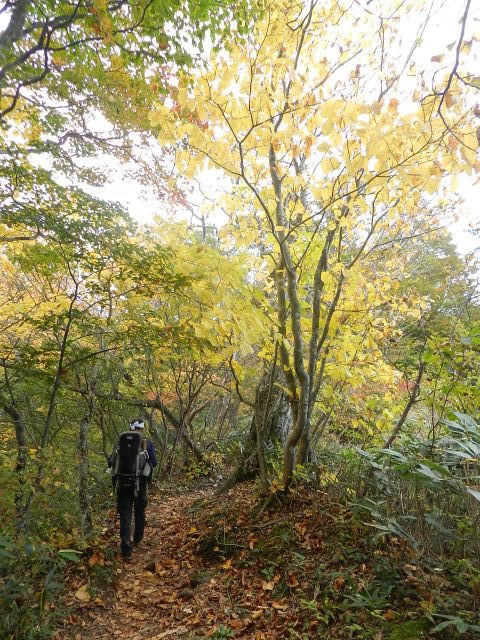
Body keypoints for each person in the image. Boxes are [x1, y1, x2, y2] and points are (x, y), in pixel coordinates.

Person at [110, 419, 157, 559]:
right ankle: (137, 538)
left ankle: (126, 547)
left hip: (123, 483)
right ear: (142, 429)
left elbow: (111, 462)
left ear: (130, 428)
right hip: (140, 484)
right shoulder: (146, 443)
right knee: (139, 511)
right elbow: (153, 462)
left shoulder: (121, 442)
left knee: (125, 514)